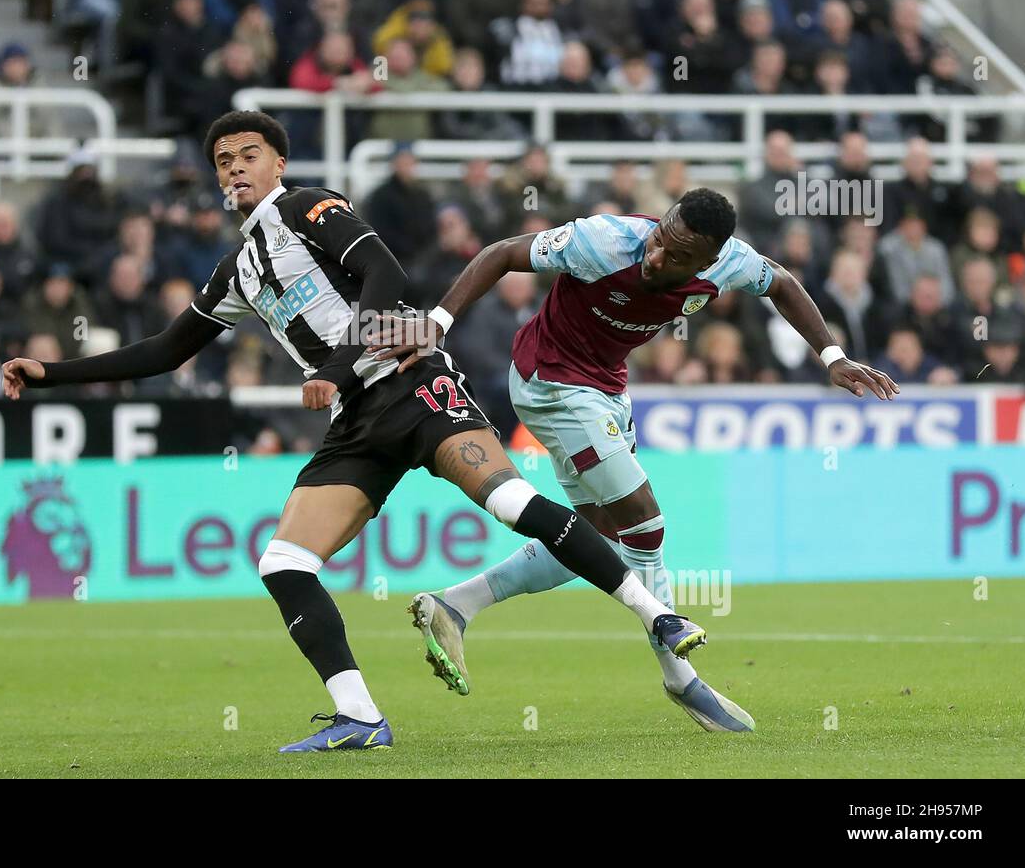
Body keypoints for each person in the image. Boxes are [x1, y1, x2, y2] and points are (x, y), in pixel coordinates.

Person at [2, 111, 709, 753]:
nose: (235, 168)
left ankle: (658, 616)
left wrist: (340, 367)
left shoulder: (310, 207)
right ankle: (361, 717)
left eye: (249, 154)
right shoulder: (237, 270)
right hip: (357, 421)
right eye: (223, 161)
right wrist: (50, 374)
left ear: (278, 164)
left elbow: (385, 271)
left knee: (507, 500)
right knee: (283, 562)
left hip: (412, 381)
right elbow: (164, 349)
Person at [369, 188, 899, 733]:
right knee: (643, 516)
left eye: (676, 255)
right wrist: (437, 321)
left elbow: (783, 283)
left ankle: (457, 605)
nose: (656, 256)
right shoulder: (603, 240)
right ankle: (679, 672)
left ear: (708, 260)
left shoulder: (731, 263)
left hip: (606, 388)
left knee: (595, 537)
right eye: (660, 239)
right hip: (549, 381)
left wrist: (832, 357)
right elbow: (504, 253)